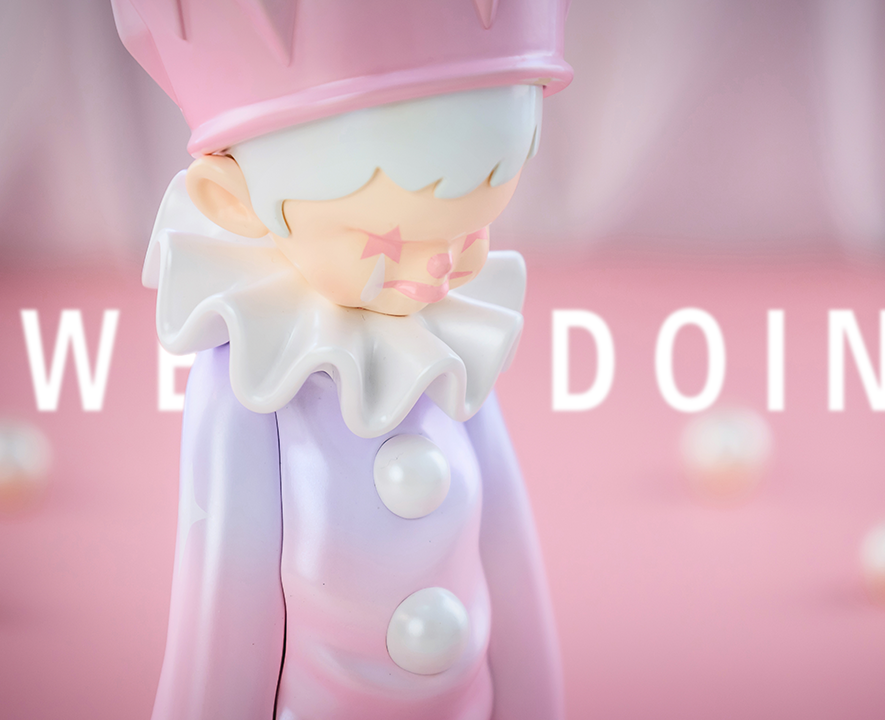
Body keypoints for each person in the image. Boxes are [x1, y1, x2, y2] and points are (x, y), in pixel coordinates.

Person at [112, 0, 573, 718]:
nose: (437, 270)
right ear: (232, 201)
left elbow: (509, 553)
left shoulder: (452, 339)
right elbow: (223, 614)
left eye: (472, 228)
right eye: (388, 242)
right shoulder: (252, 378)